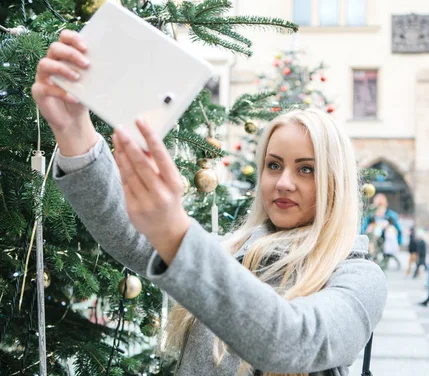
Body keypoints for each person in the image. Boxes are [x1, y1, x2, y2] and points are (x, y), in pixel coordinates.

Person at [33, 30, 387, 376]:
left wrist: (175, 233)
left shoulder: (357, 276)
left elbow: (294, 340)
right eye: (274, 165)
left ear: (336, 183)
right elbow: (132, 235)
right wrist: (73, 129)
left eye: (306, 169)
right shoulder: (233, 251)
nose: (283, 182)